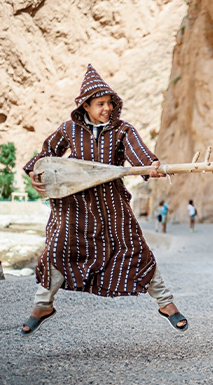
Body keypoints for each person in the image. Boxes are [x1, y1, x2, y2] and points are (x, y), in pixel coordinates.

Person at [21, 64, 188, 336]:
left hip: (112, 206)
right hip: (74, 207)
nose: (107, 108)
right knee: (57, 248)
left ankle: (166, 304)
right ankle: (42, 306)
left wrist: (152, 165)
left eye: (110, 103)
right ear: (85, 105)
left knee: (137, 250)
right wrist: (33, 173)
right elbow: (45, 155)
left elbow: (139, 155)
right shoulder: (68, 129)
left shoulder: (122, 130)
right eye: (100, 104)